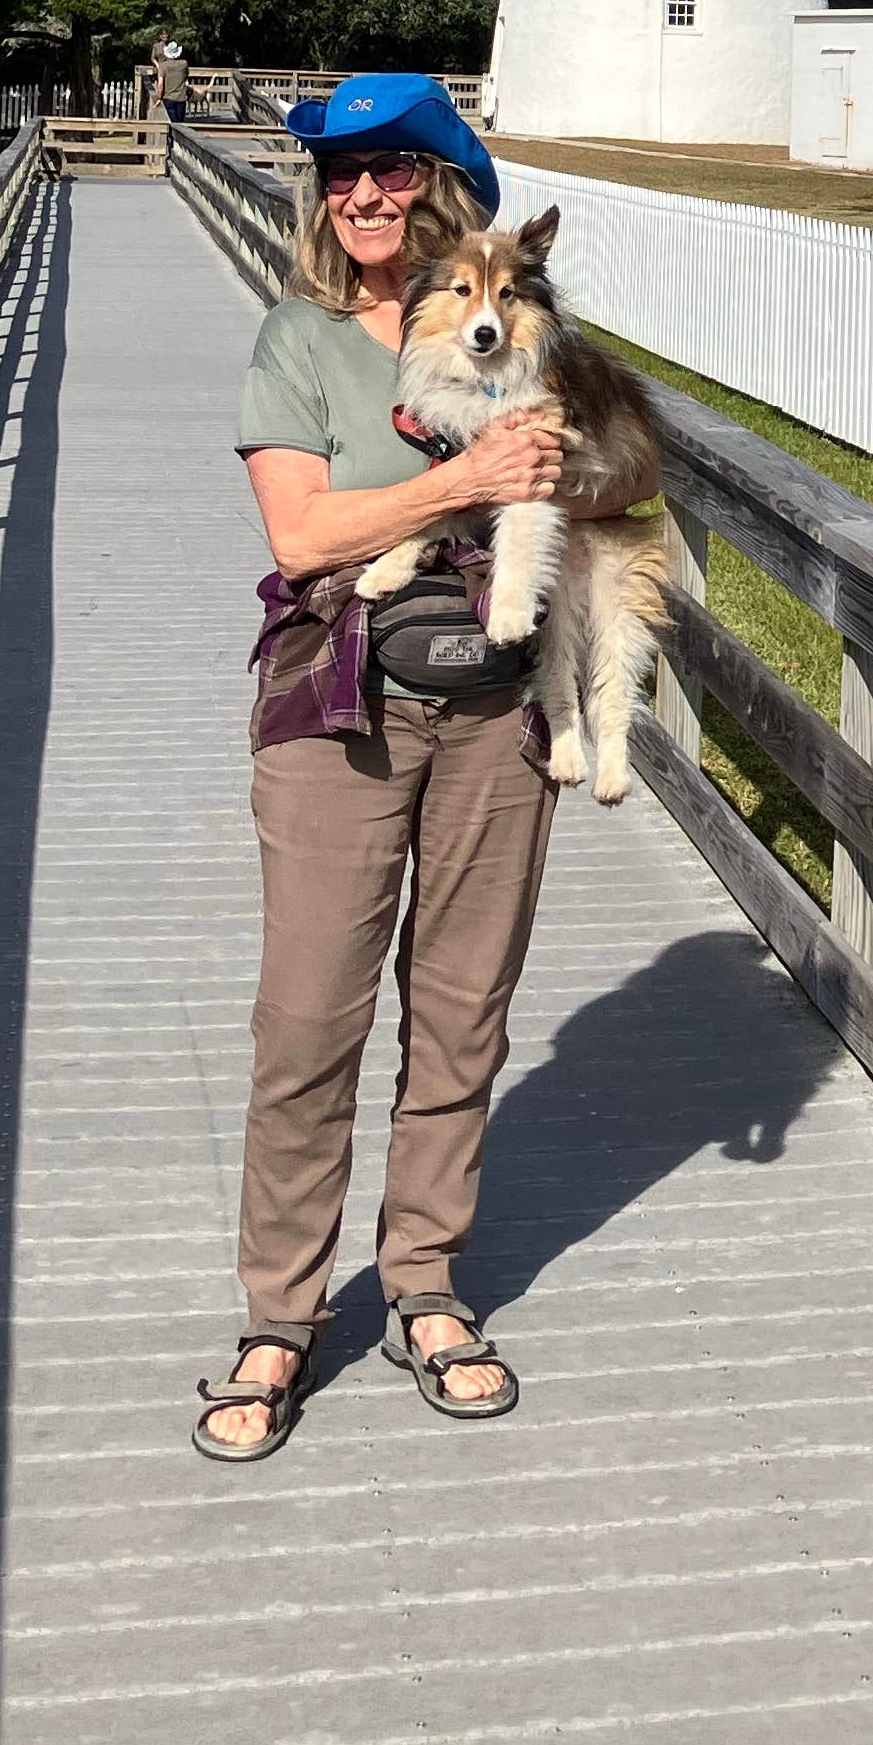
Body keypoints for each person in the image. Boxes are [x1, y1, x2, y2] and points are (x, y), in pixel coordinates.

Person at [197, 71, 575, 1459]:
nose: (365, 196)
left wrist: (572, 485)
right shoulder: (299, 338)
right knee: (308, 1017)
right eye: (344, 176)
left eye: (394, 172)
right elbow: (304, 537)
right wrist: (462, 486)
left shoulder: (514, 328)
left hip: (493, 703)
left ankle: (425, 1282)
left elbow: (600, 480)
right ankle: (280, 1315)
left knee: (463, 1007)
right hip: (339, 701)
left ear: (441, 187)